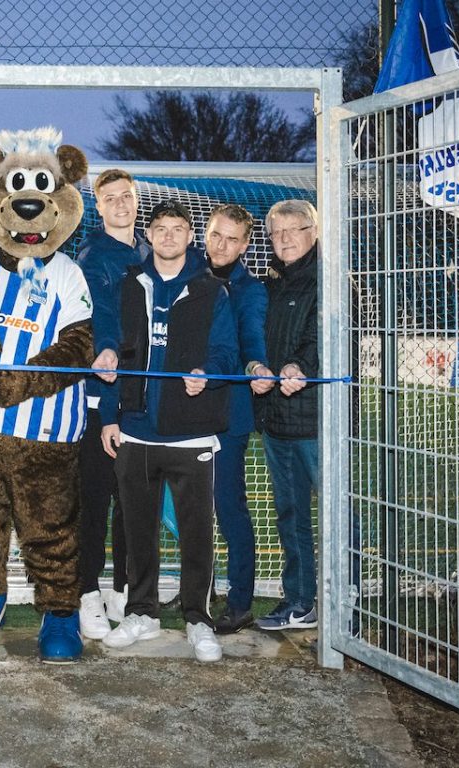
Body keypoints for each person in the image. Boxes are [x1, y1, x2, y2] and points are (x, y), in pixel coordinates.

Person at [94, 199, 238, 662]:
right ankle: (141, 612)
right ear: (149, 235)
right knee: (137, 530)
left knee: (198, 531)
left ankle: (198, 617)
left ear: (189, 237)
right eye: (161, 228)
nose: (169, 236)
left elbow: (225, 353)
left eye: (178, 229)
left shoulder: (212, 291)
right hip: (136, 430)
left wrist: (207, 373)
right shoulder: (128, 286)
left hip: (191, 434)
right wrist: (110, 415)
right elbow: (113, 348)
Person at [74, 168, 151, 639]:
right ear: (97, 207)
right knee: (95, 498)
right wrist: (105, 395)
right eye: (110, 197)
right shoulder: (90, 255)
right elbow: (99, 322)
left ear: (136, 200)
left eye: (127, 195)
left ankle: (123, 587)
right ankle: (87, 591)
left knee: (133, 501)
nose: (120, 203)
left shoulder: (153, 248)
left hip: (144, 397)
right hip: (101, 399)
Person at [250, 199, 321, 631]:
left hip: (318, 423)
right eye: (277, 232)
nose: (285, 239)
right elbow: (256, 341)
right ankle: (300, 601)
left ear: (313, 231)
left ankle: (346, 601)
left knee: (337, 515)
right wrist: (254, 368)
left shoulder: (330, 279)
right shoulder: (269, 284)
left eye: (294, 230)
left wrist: (301, 368)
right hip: (277, 422)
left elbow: (323, 337)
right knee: (291, 515)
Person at [203, 204, 268, 634]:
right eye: (216, 235)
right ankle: (199, 589)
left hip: (229, 415)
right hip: (185, 411)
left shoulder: (251, 291)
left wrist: (257, 366)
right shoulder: (188, 275)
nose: (221, 246)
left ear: (245, 245)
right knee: (189, 507)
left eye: (232, 239)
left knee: (229, 509)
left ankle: (240, 600)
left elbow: (251, 340)